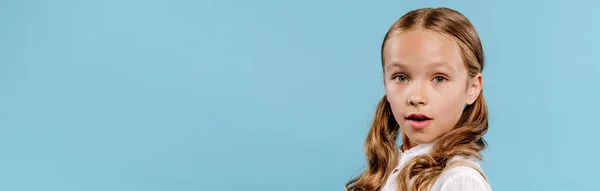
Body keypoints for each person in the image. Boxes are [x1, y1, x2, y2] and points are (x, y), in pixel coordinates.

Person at [346, 7, 492, 191]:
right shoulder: (386, 171)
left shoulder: (458, 180)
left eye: (439, 78)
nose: (416, 97)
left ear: (472, 87)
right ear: (385, 82)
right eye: (401, 77)